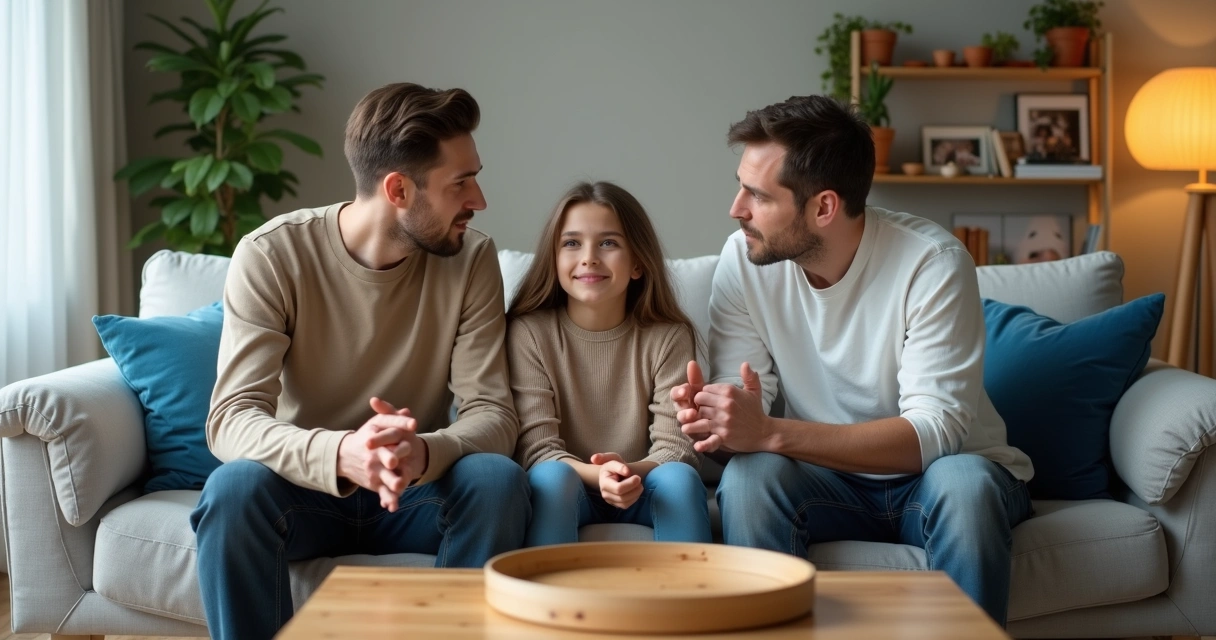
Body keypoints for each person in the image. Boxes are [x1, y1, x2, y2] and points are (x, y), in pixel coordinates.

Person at [672, 95, 1034, 625]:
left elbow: (934, 434)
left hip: (939, 478)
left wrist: (771, 432)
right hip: (825, 483)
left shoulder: (931, 263)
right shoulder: (744, 260)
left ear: (823, 207)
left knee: (963, 484)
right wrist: (720, 419)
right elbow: (749, 404)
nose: (736, 209)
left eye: (757, 195)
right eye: (740, 186)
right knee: (750, 481)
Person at [191, 83, 529, 640]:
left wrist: (423, 452)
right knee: (233, 492)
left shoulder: (472, 259)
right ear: (398, 188)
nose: (480, 200)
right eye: (460, 183)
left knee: (495, 480)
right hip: (308, 489)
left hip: (416, 489)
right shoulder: (272, 254)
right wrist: (341, 453)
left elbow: (493, 413)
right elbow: (231, 419)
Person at [507, 181, 711, 546]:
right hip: (570, 483)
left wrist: (627, 472)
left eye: (608, 243)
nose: (589, 257)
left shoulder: (669, 335)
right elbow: (537, 450)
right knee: (552, 478)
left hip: (641, 482)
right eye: (571, 243)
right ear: (554, 260)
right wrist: (595, 474)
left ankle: (692, 598)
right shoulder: (529, 333)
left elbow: (676, 447)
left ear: (636, 263)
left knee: (680, 479)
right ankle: (548, 602)